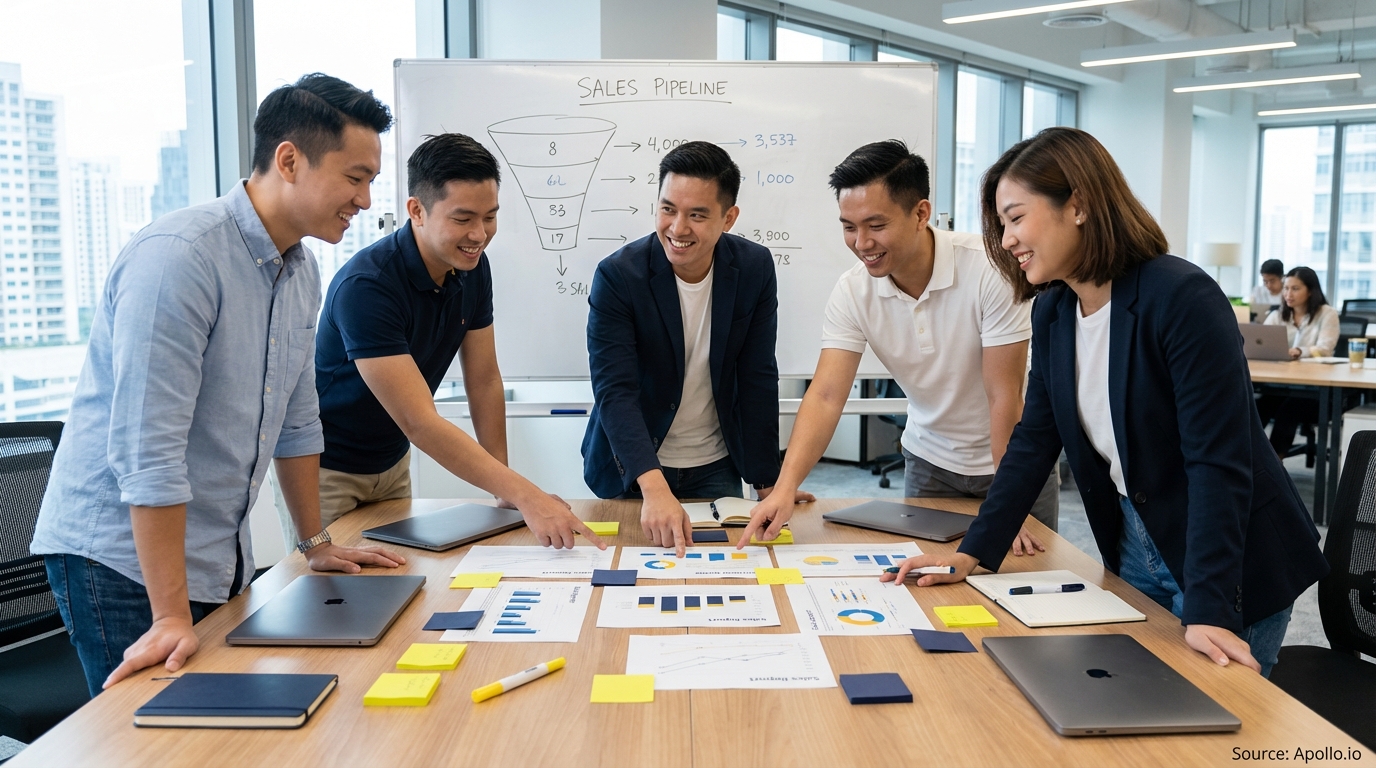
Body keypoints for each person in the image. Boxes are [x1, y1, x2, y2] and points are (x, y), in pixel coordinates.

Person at [886, 127, 1327, 678]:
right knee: (1140, 699)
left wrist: (1210, 608)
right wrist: (971, 552)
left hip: (1228, 555)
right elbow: (1034, 441)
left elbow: (1218, 462)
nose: (1007, 239)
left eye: (1016, 218)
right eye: (1000, 224)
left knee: (1217, 717)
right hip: (1134, 540)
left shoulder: (1181, 297)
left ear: (1079, 205)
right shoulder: (1054, 311)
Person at [30, 74, 408, 695]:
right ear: (289, 160)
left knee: (222, 722)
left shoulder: (300, 271)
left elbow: (297, 422)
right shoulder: (181, 257)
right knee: (155, 734)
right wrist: (169, 615)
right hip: (122, 563)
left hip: (213, 554)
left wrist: (315, 543)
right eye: (355, 178)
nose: (365, 201)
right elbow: (149, 450)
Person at [285, 132, 603, 551]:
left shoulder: (472, 267)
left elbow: (484, 380)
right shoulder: (368, 286)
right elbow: (419, 421)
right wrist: (527, 494)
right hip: (326, 470)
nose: (479, 234)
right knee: (333, 587)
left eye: (490, 217)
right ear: (417, 211)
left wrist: (505, 489)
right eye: (463, 218)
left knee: (400, 572)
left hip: (392, 462)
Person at [740, 140, 1057, 551]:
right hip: (930, 462)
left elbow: (1004, 396)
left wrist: (1008, 503)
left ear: (921, 213)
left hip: (1014, 462)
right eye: (849, 227)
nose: (861, 243)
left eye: (876, 226)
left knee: (1027, 572)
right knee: (927, 574)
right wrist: (784, 488)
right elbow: (826, 395)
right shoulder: (853, 291)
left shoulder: (988, 269)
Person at [583, 141, 807, 557]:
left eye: (697, 215)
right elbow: (615, 391)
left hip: (716, 465)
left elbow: (757, 376)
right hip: (634, 472)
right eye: (668, 209)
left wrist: (769, 482)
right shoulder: (619, 276)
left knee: (721, 574)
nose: (678, 228)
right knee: (629, 576)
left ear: (729, 218)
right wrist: (654, 487)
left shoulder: (753, 268)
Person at [1258, 266, 1341, 455]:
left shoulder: (1327, 313)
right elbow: (1261, 341)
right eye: (1286, 288)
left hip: (1314, 390)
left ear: (1310, 290)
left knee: (1289, 409)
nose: (1288, 294)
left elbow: (1325, 349)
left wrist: (1298, 352)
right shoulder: (1277, 315)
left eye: (1295, 289)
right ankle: (1246, 459)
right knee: (1256, 407)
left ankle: (1275, 461)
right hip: (1280, 385)